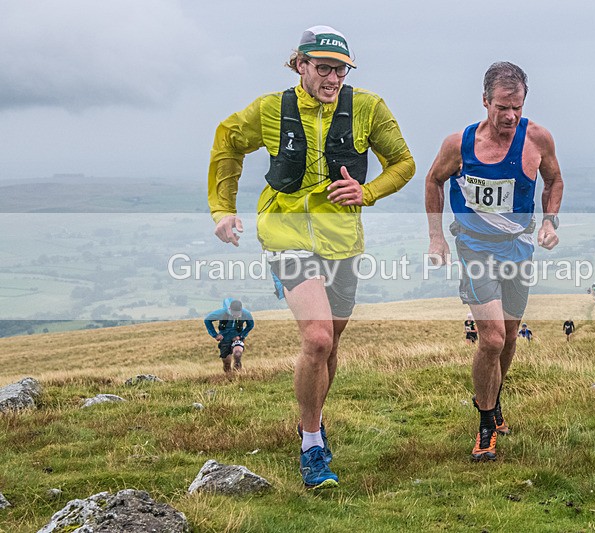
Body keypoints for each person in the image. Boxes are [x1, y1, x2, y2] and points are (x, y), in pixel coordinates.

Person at [208, 26, 415, 489]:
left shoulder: (368, 108)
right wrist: (222, 210)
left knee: (330, 346)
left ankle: (313, 421)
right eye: (323, 67)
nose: (333, 77)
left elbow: (403, 162)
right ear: (299, 65)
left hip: (342, 240)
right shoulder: (271, 109)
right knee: (318, 339)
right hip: (285, 234)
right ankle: (311, 444)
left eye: (340, 68)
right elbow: (226, 143)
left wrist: (369, 191)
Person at [425, 62, 564, 461]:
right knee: (492, 339)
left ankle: (494, 401)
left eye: (517, 107)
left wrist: (550, 222)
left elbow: (554, 180)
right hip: (475, 248)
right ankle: (486, 424)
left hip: (518, 248)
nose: (510, 116)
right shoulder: (460, 145)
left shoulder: (537, 138)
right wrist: (437, 239)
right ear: (485, 101)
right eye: (502, 106)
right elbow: (434, 180)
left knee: (509, 334)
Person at [204, 298, 254, 373]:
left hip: (238, 336)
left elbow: (251, 325)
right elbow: (207, 320)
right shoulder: (222, 313)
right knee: (227, 362)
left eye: (238, 314)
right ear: (230, 309)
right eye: (234, 313)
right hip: (225, 338)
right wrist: (215, 335)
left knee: (237, 355)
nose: (236, 315)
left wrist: (241, 336)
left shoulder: (246, 314)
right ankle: (229, 377)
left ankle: (238, 375)